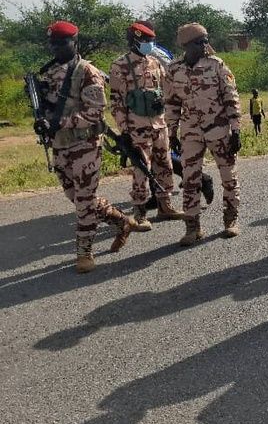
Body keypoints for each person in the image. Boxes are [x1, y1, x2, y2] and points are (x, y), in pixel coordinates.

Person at [32, 21, 142, 273]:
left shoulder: (87, 72)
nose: (56, 48)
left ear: (75, 42)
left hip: (85, 145)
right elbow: (51, 109)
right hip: (60, 145)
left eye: (62, 43)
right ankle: (122, 221)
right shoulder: (51, 72)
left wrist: (59, 123)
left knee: (84, 201)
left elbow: (95, 113)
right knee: (76, 197)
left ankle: (84, 253)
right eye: (53, 43)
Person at [165, 23, 242, 246]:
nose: (205, 45)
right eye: (200, 42)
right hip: (190, 131)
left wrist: (236, 130)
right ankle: (192, 227)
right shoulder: (173, 70)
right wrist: (172, 133)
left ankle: (230, 219)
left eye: (206, 41)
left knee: (229, 177)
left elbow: (231, 98)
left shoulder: (216, 65)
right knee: (190, 179)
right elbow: (171, 103)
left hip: (219, 129)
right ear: (187, 45)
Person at [109, 20, 183, 229]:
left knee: (165, 165)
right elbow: (117, 102)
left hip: (160, 125)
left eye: (152, 40)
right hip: (137, 127)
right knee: (142, 169)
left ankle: (165, 205)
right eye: (147, 41)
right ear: (135, 41)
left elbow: (167, 91)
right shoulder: (120, 66)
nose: (150, 44)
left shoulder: (155, 63)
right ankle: (140, 212)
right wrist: (124, 131)